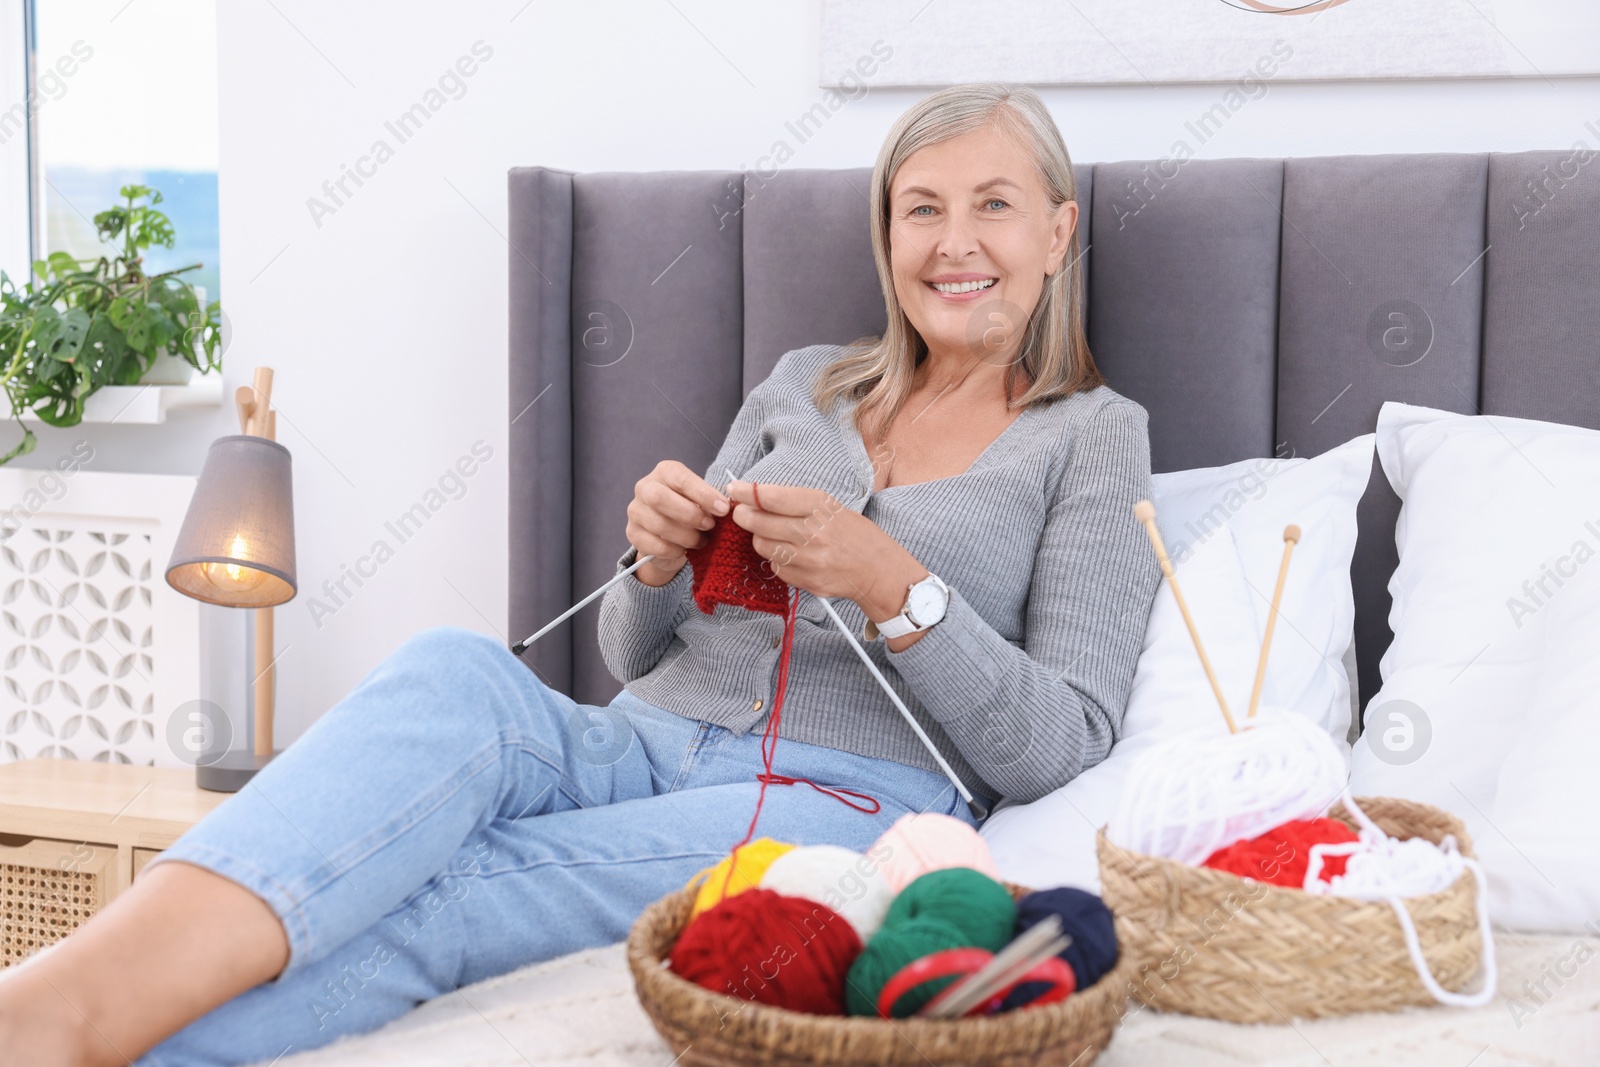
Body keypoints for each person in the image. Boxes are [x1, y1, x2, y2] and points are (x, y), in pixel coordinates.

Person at [0, 82, 1159, 1066]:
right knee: (451, 667)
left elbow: (1063, 738)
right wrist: (655, 556)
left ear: (1056, 234)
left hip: (840, 797)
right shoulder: (806, 383)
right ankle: (55, 993)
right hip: (644, 736)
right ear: (887, 236)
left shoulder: (1087, 434)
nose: (954, 243)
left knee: (457, 882)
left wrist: (893, 583)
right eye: (922, 210)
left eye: (992, 207)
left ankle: (73, 1028)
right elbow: (632, 649)